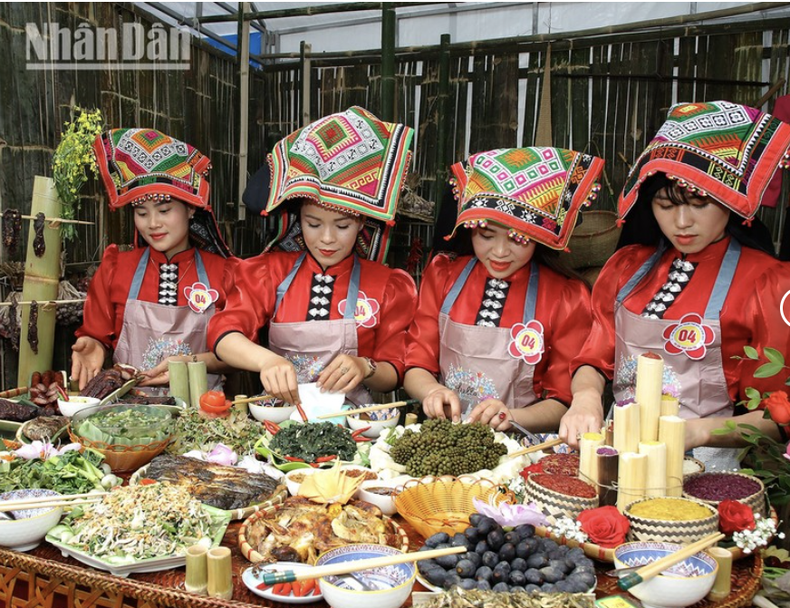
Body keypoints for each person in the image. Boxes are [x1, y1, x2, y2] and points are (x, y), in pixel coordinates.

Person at [559, 100, 790, 469]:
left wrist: (698, 432)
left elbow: (779, 416)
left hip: (709, 467)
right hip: (619, 454)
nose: (681, 222)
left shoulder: (769, 283)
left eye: (698, 203)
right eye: (665, 205)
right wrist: (585, 398)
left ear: (727, 199)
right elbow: (594, 356)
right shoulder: (627, 267)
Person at [208, 107, 417, 405]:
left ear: (361, 222)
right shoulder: (272, 272)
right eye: (313, 223)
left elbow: (395, 371)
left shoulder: (387, 285)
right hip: (279, 422)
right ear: (298, 219)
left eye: (342, 225)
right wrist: (267, 361)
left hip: (353, 423)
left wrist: (365, 366)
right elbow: (224, 334)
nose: (327, 239)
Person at [404, 147, 600, 431]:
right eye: (485, 234)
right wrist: (431, 392)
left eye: (518, 238)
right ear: (469, 228)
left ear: (538, 236)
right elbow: (416, 363)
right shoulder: (443, 275)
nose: (499, 251)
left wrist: (511, 416)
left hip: (522, 450)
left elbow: (562, 401)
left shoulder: (564, 296)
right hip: (445, 436)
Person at [72, 128, 237, 393]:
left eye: (164, 210)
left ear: (191, 208)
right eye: (141, 213)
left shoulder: (224, 273)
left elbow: (236, 357)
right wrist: (94, 343)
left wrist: (188, 363)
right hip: (129, 414)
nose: (153, 224)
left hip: (203, 414)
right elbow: (98, 334)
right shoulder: (116, 269)